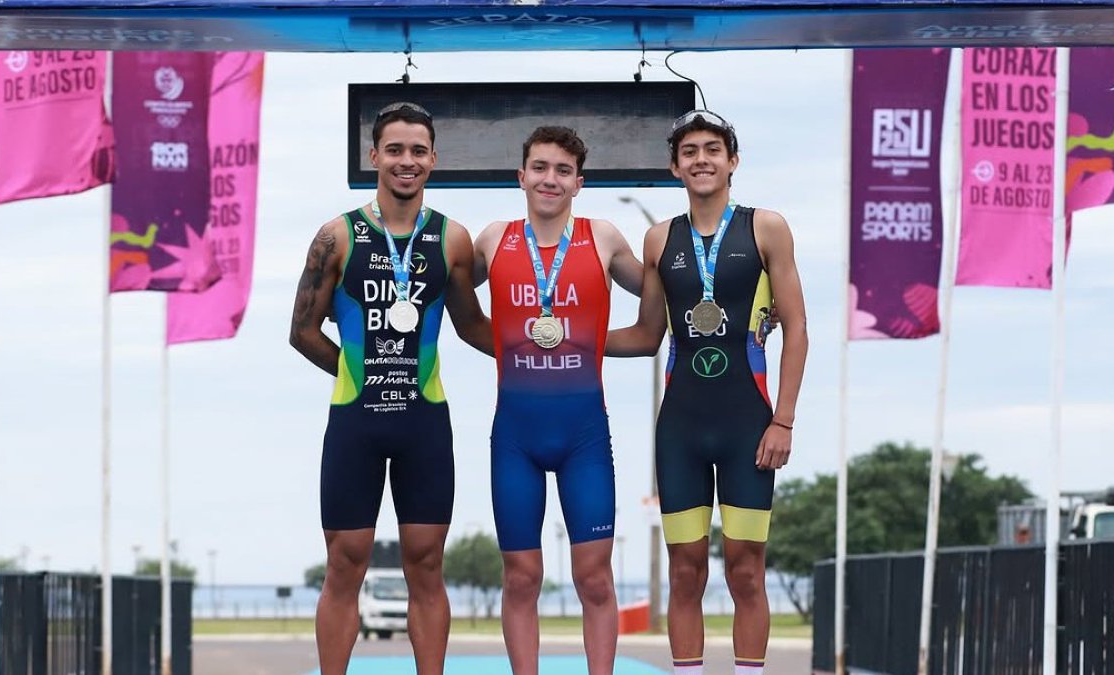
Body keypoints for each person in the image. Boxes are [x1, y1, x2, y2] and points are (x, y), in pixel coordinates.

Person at [289, 101, 492, 675]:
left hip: (423, 424)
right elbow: (302, 331)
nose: (407, 161)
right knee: (345, 563)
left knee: (426, 563)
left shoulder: (452, 239)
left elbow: (473, 326)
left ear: (434, 159)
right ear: (374, 156)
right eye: (395, 149)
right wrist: (359, 373)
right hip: (356, 422)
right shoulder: (337, 236)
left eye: (418, 150)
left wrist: (541, 351)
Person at [607, 110, 808, 675]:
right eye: (690, 151)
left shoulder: (766, 227)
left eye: (712, 149)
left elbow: (796, 326)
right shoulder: (658, 238)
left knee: (746, 569)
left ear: (732, 161)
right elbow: (647, 336)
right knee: (685, 570)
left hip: (749, 422)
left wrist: (784, 420)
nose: (701, 159)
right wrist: (572, 339)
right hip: (681, 428)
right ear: (675, 166)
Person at [472, 126, 643, 675]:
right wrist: (505, 343)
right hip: (516, 438)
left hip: (584, 437)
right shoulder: (495, 238)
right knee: (521, 576)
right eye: (540, 167)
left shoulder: (606, 237)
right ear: (521, 176)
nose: (550, 178)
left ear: (579, 183)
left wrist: (586, 345)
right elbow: (443, 298)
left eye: (563, 170)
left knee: (594, 576)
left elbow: (662, 305)